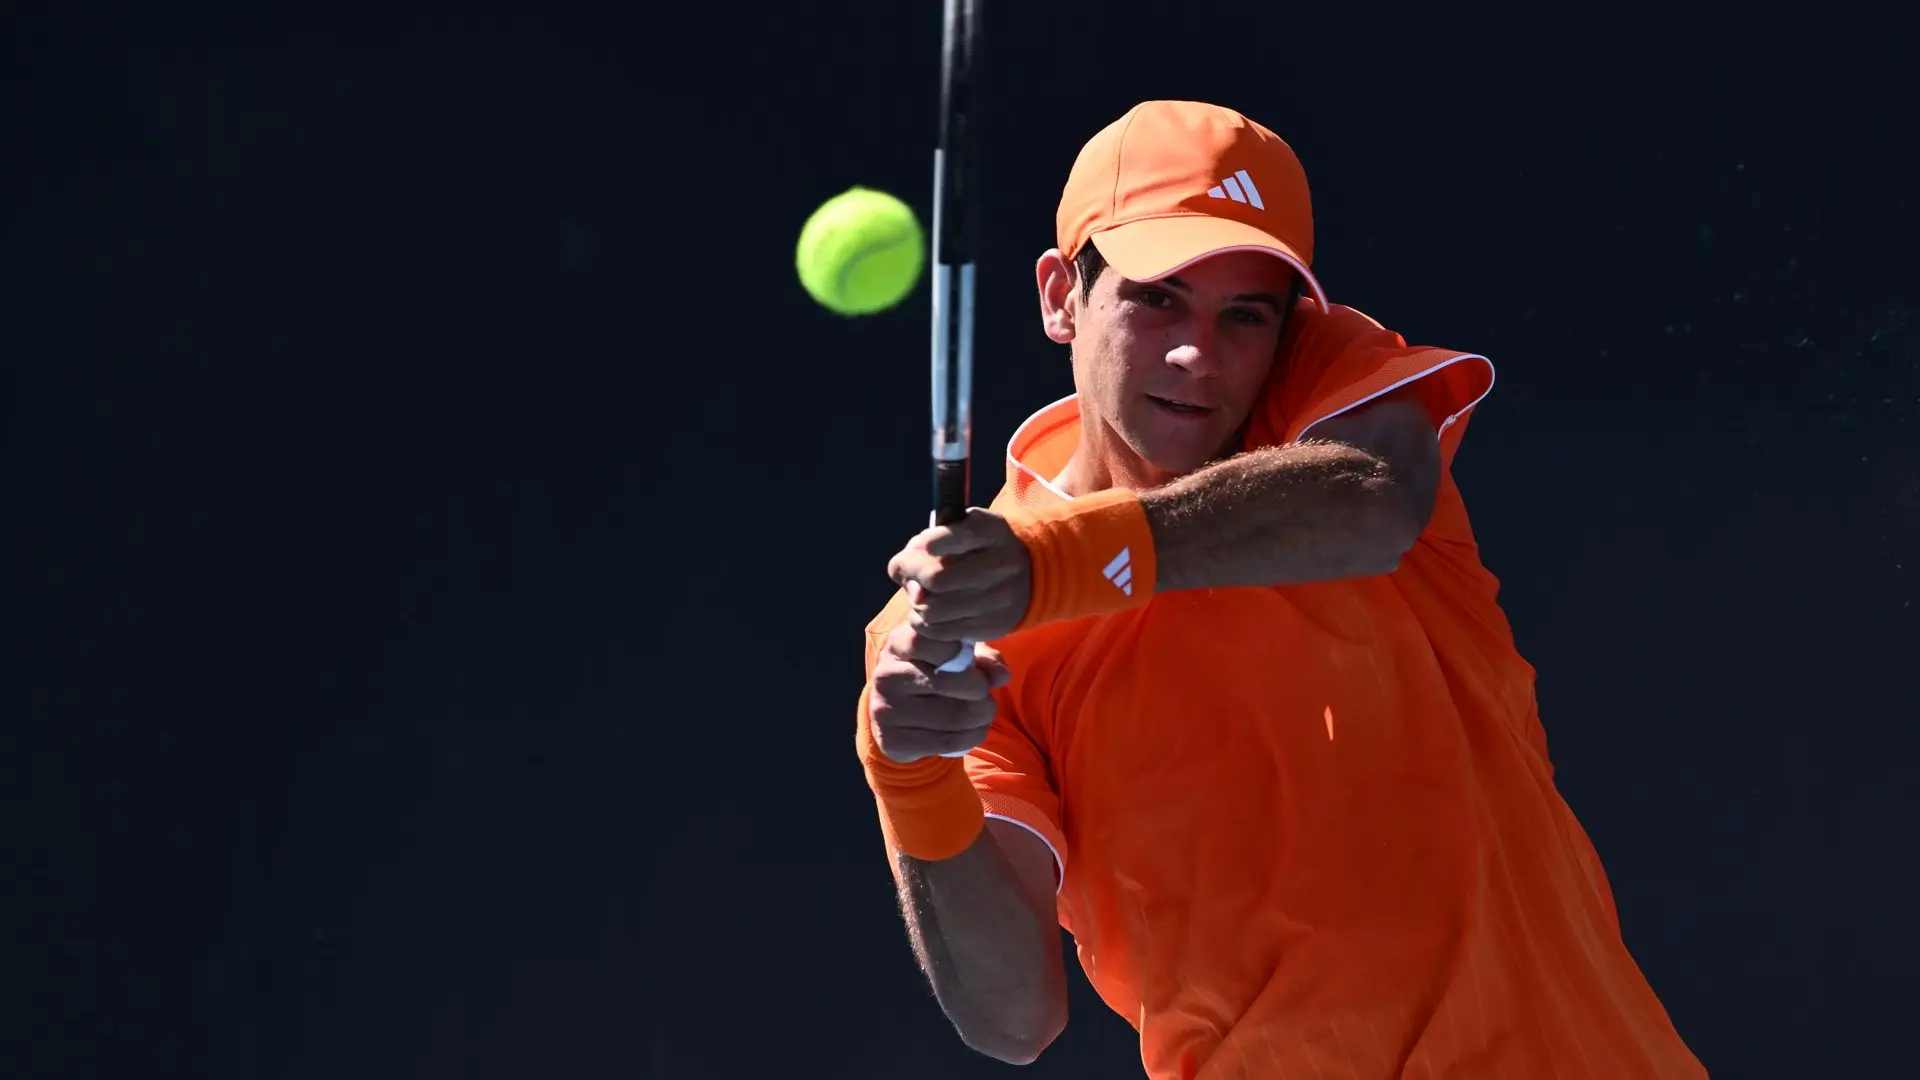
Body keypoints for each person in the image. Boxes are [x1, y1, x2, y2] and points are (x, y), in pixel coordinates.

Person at [853, 100, 1707, 1079]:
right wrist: (913, 780)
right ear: (1061, 297)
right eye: (1157, 298)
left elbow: (1375, 497)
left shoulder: (1327, 397)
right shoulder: (948, 635)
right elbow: (1014, 1019)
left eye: (1245, 316)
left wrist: (1060, 563)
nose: (1198, 354)